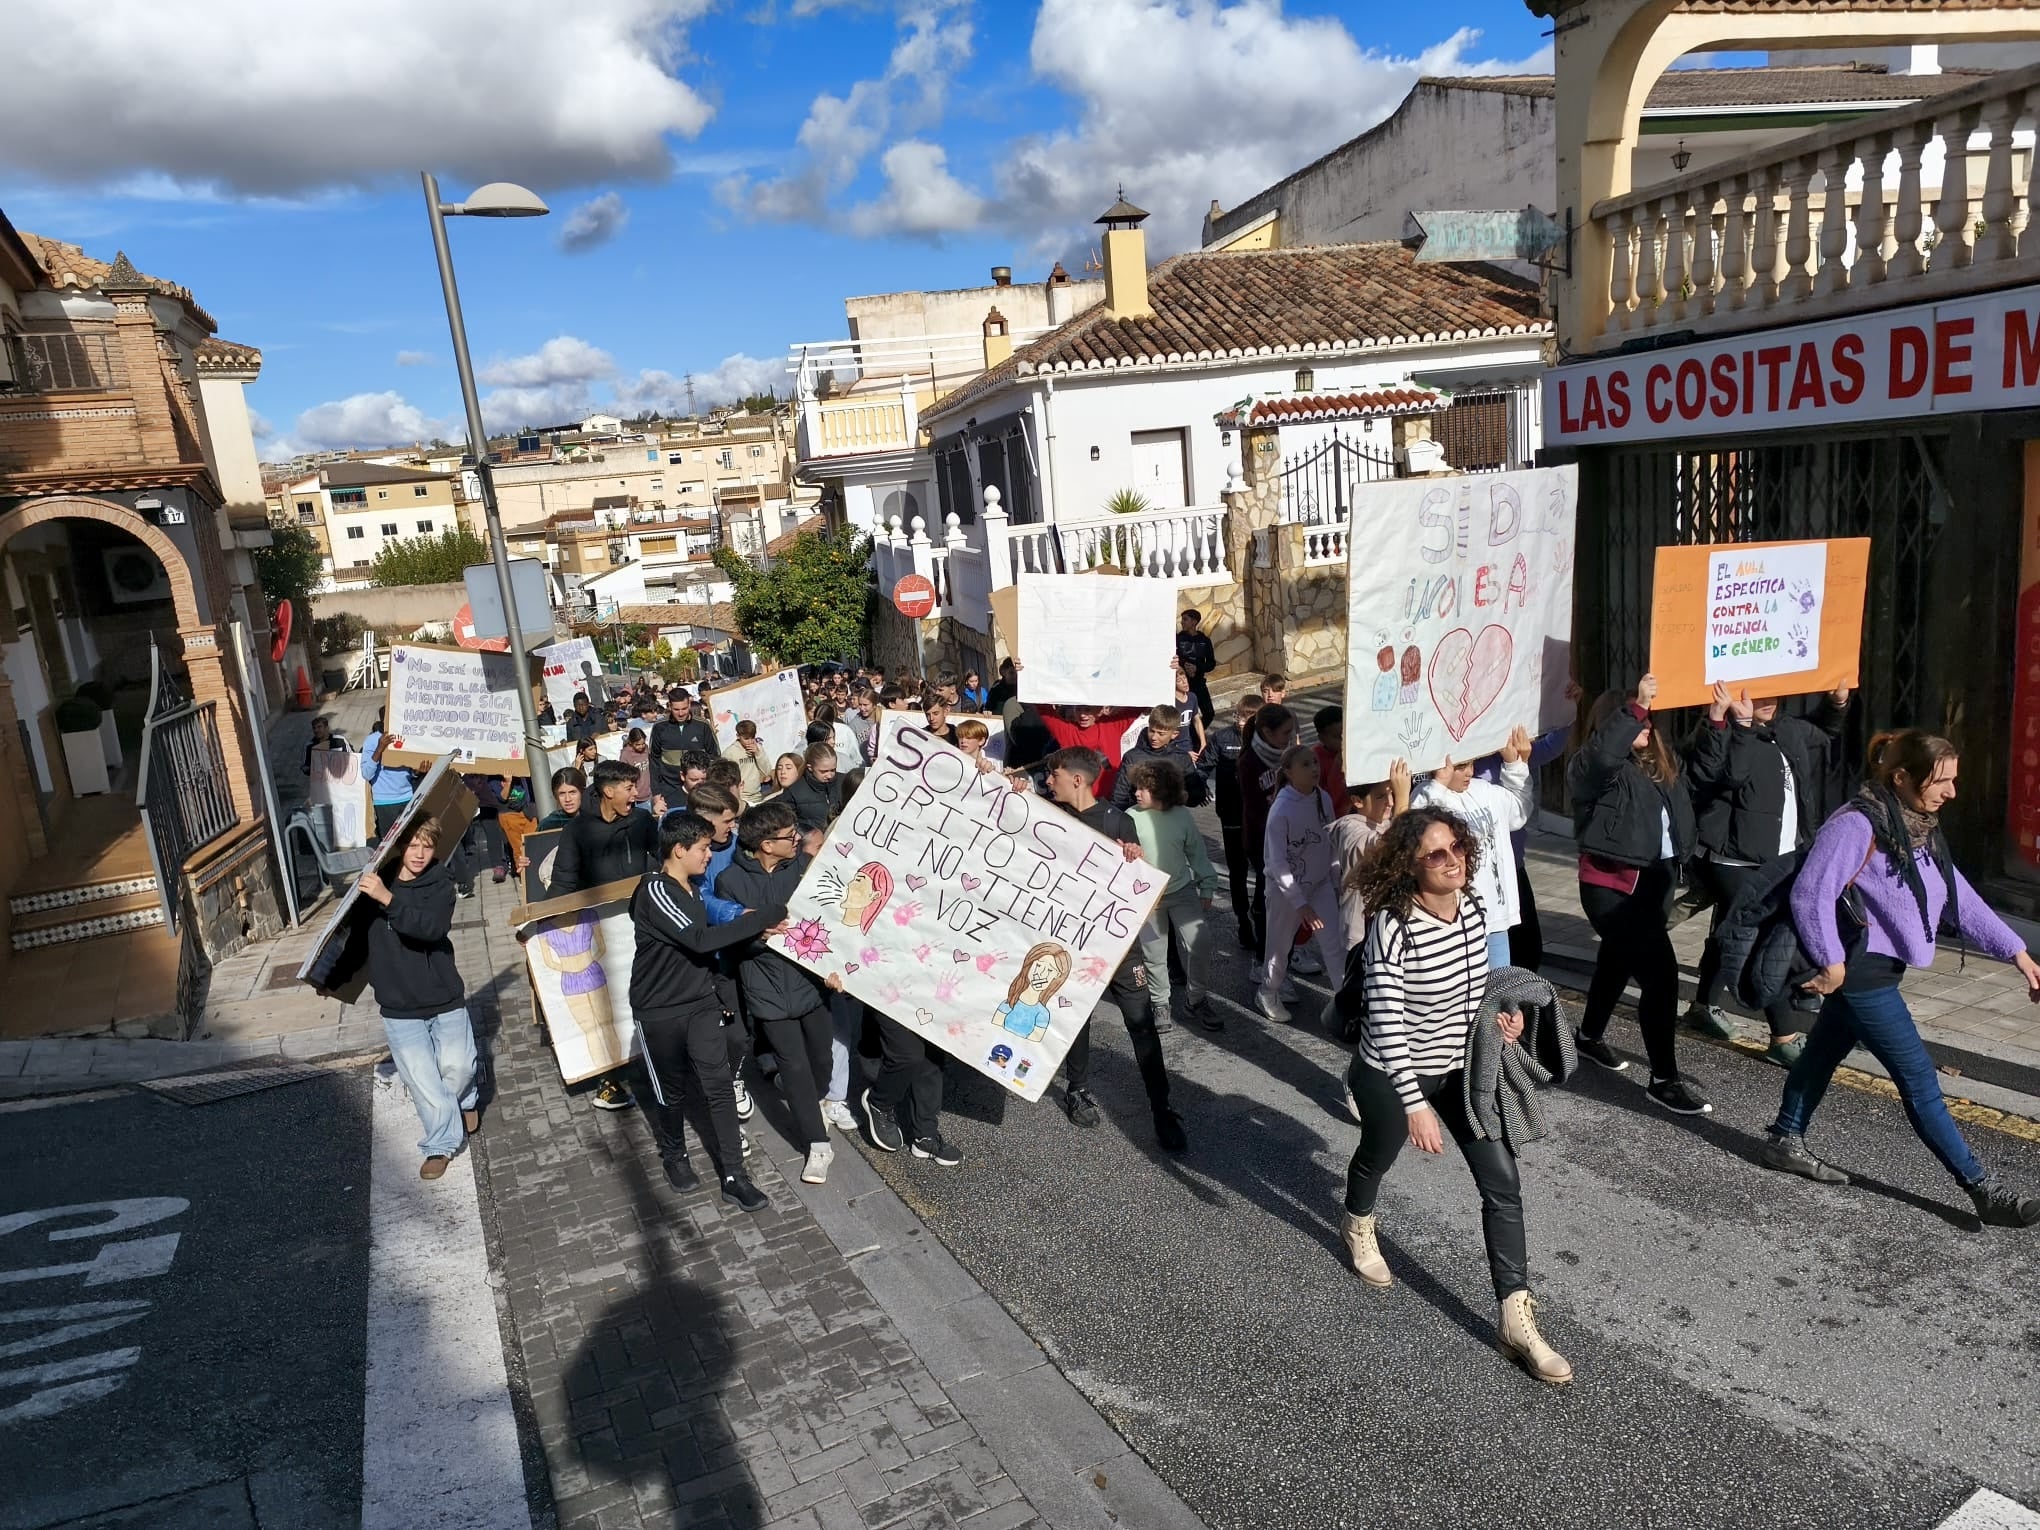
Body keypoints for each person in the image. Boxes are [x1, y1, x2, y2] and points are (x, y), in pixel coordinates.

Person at [1759, 730, 2040, 1227]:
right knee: (1921, 1083)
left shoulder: (1917, 827)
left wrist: (2016, 952)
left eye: (1955, 779)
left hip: (1876, 970)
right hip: (1864, 974)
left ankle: (1785, 1136)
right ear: (1902, 777)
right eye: (1942, 780)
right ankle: (1981, 1188)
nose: (1952, 791)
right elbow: (1810, 894)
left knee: (1820, 1056)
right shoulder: (1856, 825)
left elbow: (1959, 898)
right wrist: (1832, 962)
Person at [1339, 807, 1573, 1385]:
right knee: (1380, 1149)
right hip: (1392, 1070)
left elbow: (1477, 991)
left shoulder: (1472, 908)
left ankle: (1515, 1317)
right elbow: (1388, 1020)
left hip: (1457, 1069)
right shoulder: (1392, 925)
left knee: (1503, 1182)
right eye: (1435, 854)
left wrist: (1506, 1019)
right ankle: (1357, 1220)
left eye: (1457, 849)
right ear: (1409, 865)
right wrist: (1414, 1104)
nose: (1452, 861)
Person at [1019, 747, 1187, 1151]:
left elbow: (1133, 884)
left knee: (1142, 1025)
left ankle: (1162, 1109)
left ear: (1077, 779)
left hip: (1119, 949)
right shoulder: (1046, 814)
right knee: (1074, 1019)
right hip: (1068, 944)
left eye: (1053, 774)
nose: (1048, 781)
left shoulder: (1118, 821)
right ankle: (1077, 1090)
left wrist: (1134, 858)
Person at [1685, 681, 1852, 1066]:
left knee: (1730, 929)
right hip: (1733, 859)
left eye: (1773, 690)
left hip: (1777, 859)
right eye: (1753, 692)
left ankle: (1703, 1005)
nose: (1765, 700)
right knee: (1762, 941)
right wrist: (1739, 725)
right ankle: (1783, 1036)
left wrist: (1836, 702)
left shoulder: (1786, 729)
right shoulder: (1720, 734)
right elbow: (1729, 776)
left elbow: (1823, 730)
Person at [1568, 676, 1710, 1115]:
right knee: (1662, 979)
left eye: (1649, 720)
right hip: (1613, 887)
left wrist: (1721, 721)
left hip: (1656, 881)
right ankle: (1663, 1080)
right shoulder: (1594, 767)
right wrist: (1635, 710)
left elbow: (1710, 767)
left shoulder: (1661, 766)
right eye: (1635, 718)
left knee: (1616, 959)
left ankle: (1589, 1038)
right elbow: (1604, 754)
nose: (1646, 725)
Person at [630, 815, 785, 1211]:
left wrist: (749, 925)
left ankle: (735, 1177)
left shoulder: (694, 888)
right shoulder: (655, 890)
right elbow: (699, 941)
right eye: (702, 848)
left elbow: (709, 941)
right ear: (678, 850)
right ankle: (674, 1154)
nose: (708, 854)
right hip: (659, 1010)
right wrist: (763, 917)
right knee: (672, 1092)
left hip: (700, 1004)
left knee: (717, 1088)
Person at [718, 800, 840, 1184]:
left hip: (810, 983)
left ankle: (810, 1097)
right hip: (765, 990)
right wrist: (756, 937)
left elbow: (832, 916)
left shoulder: (803, 868)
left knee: (821, 1058)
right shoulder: (731, 883)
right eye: (790, 836)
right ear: (766, 844)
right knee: (795, 1065)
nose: (797, 840)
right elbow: (730, 942)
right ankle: (817, 1145)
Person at [357, 817, 478, 1181]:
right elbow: (350, 937)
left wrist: (387, 899)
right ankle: (440, 1145)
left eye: (427, 846)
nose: (420, 854)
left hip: (442, 994)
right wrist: (329, 978)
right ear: (399, 846)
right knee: (423, 1080)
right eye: (413, 846)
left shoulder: (440, 883)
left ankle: (467, 1096)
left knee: (460, 1067)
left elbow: (432, 929)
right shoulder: (378, 880)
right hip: (398, 1002)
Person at [550, 760, 660, 1113]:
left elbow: (660, 860)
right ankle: (608, 1079)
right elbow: (564, 883)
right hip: (599, 932)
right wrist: (539, 927)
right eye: (629, 788)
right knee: (606, 1002)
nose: (635, 794)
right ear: (608, 791)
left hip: (641, 926)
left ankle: (656, 1058)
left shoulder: (642, 821)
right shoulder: (578, 831)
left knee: (649, 992)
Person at [1414, 727, 1536, 968]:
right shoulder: (1426, 794)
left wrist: (1515, 765)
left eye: (1471, 763)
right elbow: (1420, 828)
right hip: (1457, 920)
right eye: (1460, 766)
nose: (1469, 772)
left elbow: (1518, 814)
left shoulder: (1484, 790)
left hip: (1496, 918)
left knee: (1497, 994)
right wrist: (1439, 784)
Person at [1130, 759, 1219, 1031]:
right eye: (1137, 787)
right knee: (1153, 953)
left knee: (1200, 942)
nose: (1136, 793)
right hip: (1147, 899)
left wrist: (1207, 884)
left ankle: (1196, 999)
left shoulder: (1181, 815)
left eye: (1144, 788)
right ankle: (1160, 1003)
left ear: (1163, 790)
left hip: (1182, 891)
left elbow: (1196, 852)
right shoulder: (1129, 816)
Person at [1259, 745, 1346, 1024]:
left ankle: (1345, 1004)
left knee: (1334, 944)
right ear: (1288, 772)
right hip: (1286, 893)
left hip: (1319, 886)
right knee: (1279, 946)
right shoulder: (1281, 809)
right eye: (1306, 765)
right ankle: (1268, 991)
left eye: (1314, 763)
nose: (1314, 768)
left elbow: (1332, 843)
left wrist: (1335, 881)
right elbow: (1277, 863)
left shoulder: (1323, 798)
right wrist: (1300, 902)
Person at [1333, 760, 1413, 949]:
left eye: (1393, 793)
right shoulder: (1349, 829)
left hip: (1390, 926)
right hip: (1361, 933)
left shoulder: (1387, 821)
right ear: (1357, 801)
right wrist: (1403, 800)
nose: (1391, 802)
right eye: (1380, 797)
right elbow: (1392, 845)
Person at [1239, 703, 1297, 964]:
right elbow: (1254, 810)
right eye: (1285, 733)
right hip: (1263, 842)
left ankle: (1287, 954)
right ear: (1267, 732)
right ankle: (1263, 960)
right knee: (1268, 899)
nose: (1289, 738)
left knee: (1290, 899)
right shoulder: (1249, 761)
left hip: (1290, 838)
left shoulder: (1288, 755)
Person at [1210, 694, 1260, 949]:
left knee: (1263, 872)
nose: (1242, 722)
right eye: (1239, 716)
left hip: (1260, 818)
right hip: (1231, 816)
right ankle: (1243, 921)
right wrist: (1195, 786)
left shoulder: (1266, 741)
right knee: (1237, 872)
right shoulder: (1221, 738)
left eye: (1248, 718)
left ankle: (1261, 917)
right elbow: (1202, 766)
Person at [1114, 704, 1207, 810]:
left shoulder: (1182, 758)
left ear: (1174, 734)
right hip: (1138, 816)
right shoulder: (1133, 757)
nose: (1154, 737)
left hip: (1170, 818)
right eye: (1152, 731)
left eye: (1161, 734)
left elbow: (1196, 795)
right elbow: (1119, 797)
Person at [649, 688, 717, 805]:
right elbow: (654, 761)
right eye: (676, 709)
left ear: (689, 704)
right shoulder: (659, 727)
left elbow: (715, 756)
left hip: (699, 788)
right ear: (669, 706)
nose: (681, 713)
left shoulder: (703, 726)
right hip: (669, 788)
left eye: (684, 709)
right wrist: (656, 793)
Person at [360, 710, 418, 839]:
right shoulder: (371, 740)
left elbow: (412, 770)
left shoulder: (407, 735)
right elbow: (366, 774)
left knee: (411, 842)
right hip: (385, 802)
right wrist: (380, 748)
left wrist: (418, 771)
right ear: (382, 720)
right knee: (391, 846)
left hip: (409, 798)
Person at [784, 743, 845, 832]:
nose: (829, 775)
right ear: (810, 768)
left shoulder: (844, 782)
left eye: (833, 770)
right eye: (823, 771)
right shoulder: (794, 792)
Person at [1175, 609, 1218, 725]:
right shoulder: (1177, 639)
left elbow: (1211, 663)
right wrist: (1183, 666)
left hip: (1198, 683)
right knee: (1182, 717)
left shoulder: (1205, 641)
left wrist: (1197, 668)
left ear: (1194, 622)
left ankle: (1195, 738)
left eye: (1185, 619)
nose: (1182, 622)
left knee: (1209, 713)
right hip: (1181, 683)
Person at [1310, 705, 1350, 817]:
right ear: (1322, 738)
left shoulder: (1356, 749)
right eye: (1338, 737)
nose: (1344, 740)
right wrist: (1337, 769)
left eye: (1347, 733)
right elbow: (1323, 801)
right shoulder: (1313, 761)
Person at [721, 718, 769, 804]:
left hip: (757, 794)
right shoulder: (730, 753)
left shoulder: (758, 748)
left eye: (752, 738)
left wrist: (758, 754)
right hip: (741, 796)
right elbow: (724, 776)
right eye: (746, 738)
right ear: (738, 736)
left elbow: (767, 770)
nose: (750, 741)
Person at [619, 726, 652, 807]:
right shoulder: (626, 754)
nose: (641, 747)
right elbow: (624, 776)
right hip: (637, 797)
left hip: (650, 793)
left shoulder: (647, 749)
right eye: (637, 745)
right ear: (631, 742)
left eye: (643, 743)